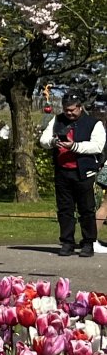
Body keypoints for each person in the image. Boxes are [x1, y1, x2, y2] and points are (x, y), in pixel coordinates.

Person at [42, 92, 106, 257]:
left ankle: (88, 243)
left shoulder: (94, 123)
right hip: (62, 171)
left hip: (83, 171)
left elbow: (97, 146)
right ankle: (67, 242)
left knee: (86, 209)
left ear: (80, 107)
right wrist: (52, 142)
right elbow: (43, 140)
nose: (68, 113)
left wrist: (74, 146)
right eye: (65, 110)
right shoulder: (57, 120)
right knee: (65, 209)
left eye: (72, 110)